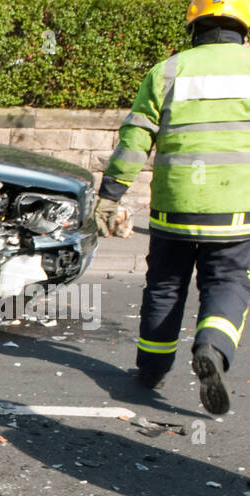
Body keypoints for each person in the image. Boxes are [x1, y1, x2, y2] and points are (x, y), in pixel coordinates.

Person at [96, 0, 250, 414]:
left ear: (194, 26)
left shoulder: (168, 71)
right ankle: (212, 348)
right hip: (235, 213)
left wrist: (111, 194)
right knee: (229, 284)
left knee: (165, 287)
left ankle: (151, 370)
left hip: (172, 209)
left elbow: (135, 140)